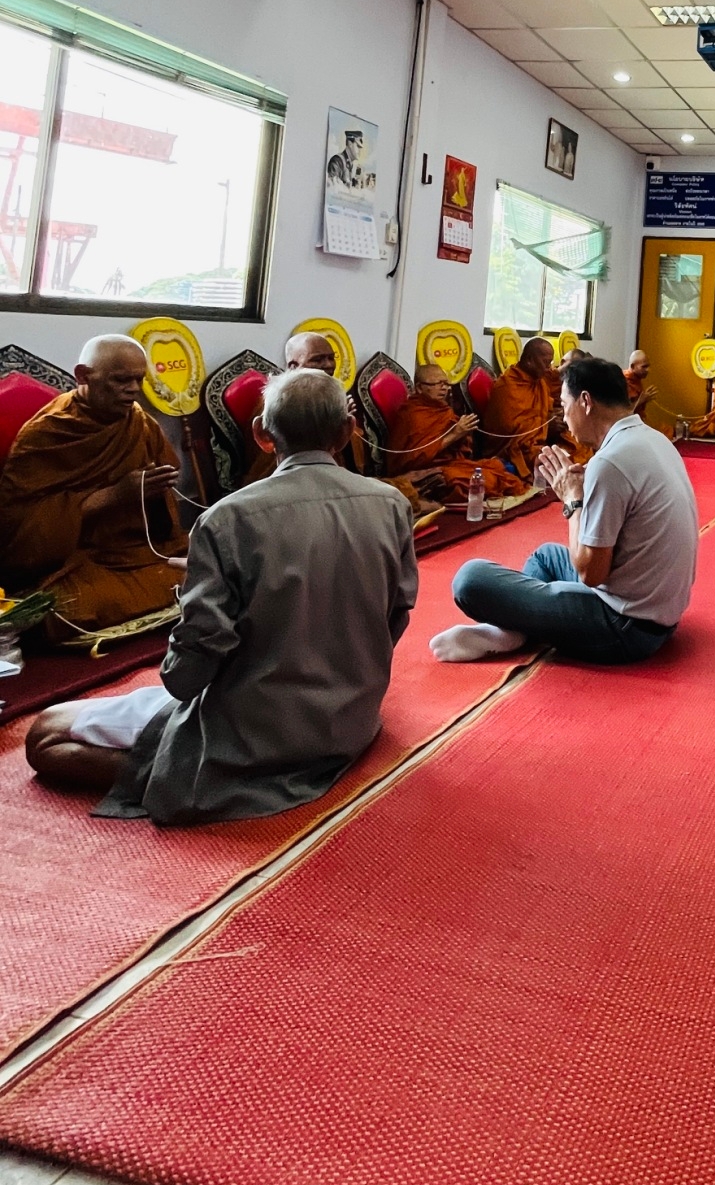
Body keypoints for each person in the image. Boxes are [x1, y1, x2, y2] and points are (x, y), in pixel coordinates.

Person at [25, 369, 416, 824]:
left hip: (253, 735)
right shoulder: (391, 504)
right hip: (351, 720)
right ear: (347, 431)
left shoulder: (227, 519)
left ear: (262, 434)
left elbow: (188, 674)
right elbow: (397, 614)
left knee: (45, 735)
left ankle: (194, 776)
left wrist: (203, 593)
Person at [432, 356, 699, 666]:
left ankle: (514, 632)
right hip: (660, 613)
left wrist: (573, 501)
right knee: (546, 556)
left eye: (563, 404)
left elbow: (590, 574)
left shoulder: (610, 463)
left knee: (470, 580)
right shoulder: (654, 439)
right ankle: (517, 630)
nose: (564, 417)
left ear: (585, 401)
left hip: (626, 627)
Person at [0, 335, 186, 646]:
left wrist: (155, 489)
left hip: (133, 551)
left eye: (139, 379)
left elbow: (164, 520)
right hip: (76, 561)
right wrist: (114, 496)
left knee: (209, 562)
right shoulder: (47, 433)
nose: (134, 389)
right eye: (121, 380)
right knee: (61, 609)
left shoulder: (138, 422)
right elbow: (18, 529)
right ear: (83, 376)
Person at [382, 364, 526, 504]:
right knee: (485, 480)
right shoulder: (412, 415)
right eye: (437, 383)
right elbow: (411, 460)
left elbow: (461, 450)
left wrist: (464, 434)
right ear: (420, 388)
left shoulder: (442, 409)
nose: (444, 388)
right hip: (423, 473)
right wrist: (455, 434)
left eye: (446, 383)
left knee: (497, 467)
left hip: (449, 465)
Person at [242, 332, 366, 483]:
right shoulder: (277, 402)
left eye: (331, 358)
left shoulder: (334, 398)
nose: (328, 364)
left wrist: (340, 421)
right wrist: (333, 424)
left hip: (332, 478)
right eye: (317, 359)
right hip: (288, 481)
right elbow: (276, 454)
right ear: (293, 366)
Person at [483, 336, 562, 484]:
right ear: (530, 360)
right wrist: (546, 425)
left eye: (550, 362)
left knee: (575, 443)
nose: (549, 368)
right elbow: (509, 430)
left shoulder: (539, 381)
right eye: (546, 362)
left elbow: (546, 408)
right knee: (552, 460)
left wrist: (555, 417)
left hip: (537, 442)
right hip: (514, 450)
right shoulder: (507, 386)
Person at [624, 349, 654, 417]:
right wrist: (641, 400)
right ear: (632, 366)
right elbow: (623, 411)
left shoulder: (636, 379)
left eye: (648, 366)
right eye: (644, 367)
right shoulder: (623, 381)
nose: (648, 370)